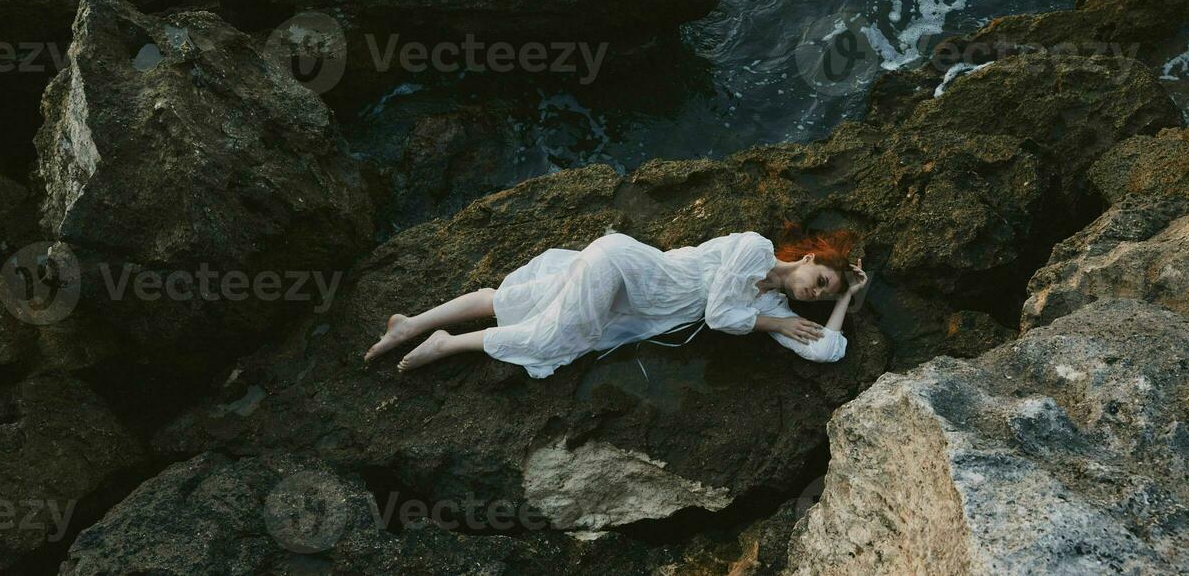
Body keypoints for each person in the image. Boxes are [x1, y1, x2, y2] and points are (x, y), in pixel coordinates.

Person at [363, 227, 869, 376]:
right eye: (822, 279)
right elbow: (718, 315)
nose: (815, 292)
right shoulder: (753, 249)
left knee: (515, 299)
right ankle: (448, 343)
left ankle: (411, 324)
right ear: (805, 259)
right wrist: (773, 327)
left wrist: (846, 298)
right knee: (557, 335)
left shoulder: (774, 310)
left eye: (822, 295)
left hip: (626, 296)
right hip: (624, 266)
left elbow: (827, 350)